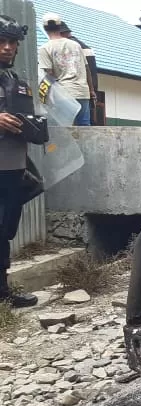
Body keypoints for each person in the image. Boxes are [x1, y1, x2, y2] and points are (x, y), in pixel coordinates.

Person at [0, 15, 45, 307]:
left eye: (12, 42)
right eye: (1, 41)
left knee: (4, 230)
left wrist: (37, 127)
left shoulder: (15, 79)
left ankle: (2, 294)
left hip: (12, 165)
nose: (6, 48)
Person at [38, 13, 90, 126]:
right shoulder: (76, 45)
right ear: (59, 26)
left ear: (45, 28)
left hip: (63, 93)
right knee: (85, 128)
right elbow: (86, 69)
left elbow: (49, 75)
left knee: (65, 129)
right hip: (82, 91)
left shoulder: (45, 48)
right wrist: (91, 91)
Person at [59, 20, 96, 124]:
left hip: (65, 91)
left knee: (66, 123)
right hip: (84, 91)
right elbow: (90, 71)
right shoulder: (85, 47)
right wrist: (92, 91)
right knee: (84, 124)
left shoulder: (62, 47)